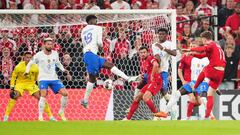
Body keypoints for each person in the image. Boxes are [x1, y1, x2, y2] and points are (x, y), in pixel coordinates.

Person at [80, 15, 138, 109]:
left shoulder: (83, 30)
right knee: (92, 78)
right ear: (92, 21)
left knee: (110, 65)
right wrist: (101, 46)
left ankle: (128, 78)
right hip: (92, 54)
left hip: (88, 54)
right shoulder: (97, 28)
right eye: (96, 21)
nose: (97, 22)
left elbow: (84, 44)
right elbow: (99, 42)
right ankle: (85, 100)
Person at [182, 31, 226, 119]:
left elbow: (202, 49)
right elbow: (202, 55)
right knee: (210, 94)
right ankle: (207, 116)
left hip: (214, 69)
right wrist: (192, 54)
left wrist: (190, 49)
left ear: (205, 39)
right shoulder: (217, 46)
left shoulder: (211, 44)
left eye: (202, 39)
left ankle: (195, 87)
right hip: (221, 72)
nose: (202, 41)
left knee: (204, 70)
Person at [25, 37, 71, 121]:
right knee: (43, 94)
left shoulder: (55, 53)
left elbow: (58, 63)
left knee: (65, 93)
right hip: (43, 78)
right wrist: (27, 71)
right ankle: (40, 116)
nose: (50, 46)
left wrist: (64, 70)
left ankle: (61, 111)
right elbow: (30, 63)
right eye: (48, 44)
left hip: (53, 78)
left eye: (51, 44)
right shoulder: (39, 55)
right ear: (44, 45)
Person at [3, 52, 56, 121]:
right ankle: (6, 116)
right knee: (14, 96)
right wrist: (12, 87)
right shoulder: (18, 67)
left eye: (30, 57)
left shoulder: (35, 67)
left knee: (41, 97)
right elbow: (13, 77)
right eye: (27, 57)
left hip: (31, 84)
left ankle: (51, 116)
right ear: (24, 58)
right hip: (20, 84)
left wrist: (41, 87)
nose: (28, 59)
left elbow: (37, 78)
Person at [124, 46, 162, 120]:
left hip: (155, 81)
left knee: (145, 97)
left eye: (144, 52)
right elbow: (150, 69)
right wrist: (145, 75)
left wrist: (151, 75)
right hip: (150, 82)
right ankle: (127, 119)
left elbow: (156, 65)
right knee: (137, 98)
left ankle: (157, 116)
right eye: (141, 53)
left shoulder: (149, 58)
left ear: (148, 52)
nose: (143, 54)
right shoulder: (144, 62)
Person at [151, 28, 177, 104]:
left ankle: (170, 107)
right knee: (147, 90)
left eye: (163, 34)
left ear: (166, 35)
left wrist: (163, 48)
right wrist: (158, 68)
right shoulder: (154, 45)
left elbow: (174, 53)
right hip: (156, 70)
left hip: (164, 71)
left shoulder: (170, 44)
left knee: (163, 90)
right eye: (160, 34)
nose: (161, 35)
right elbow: (157, 56)